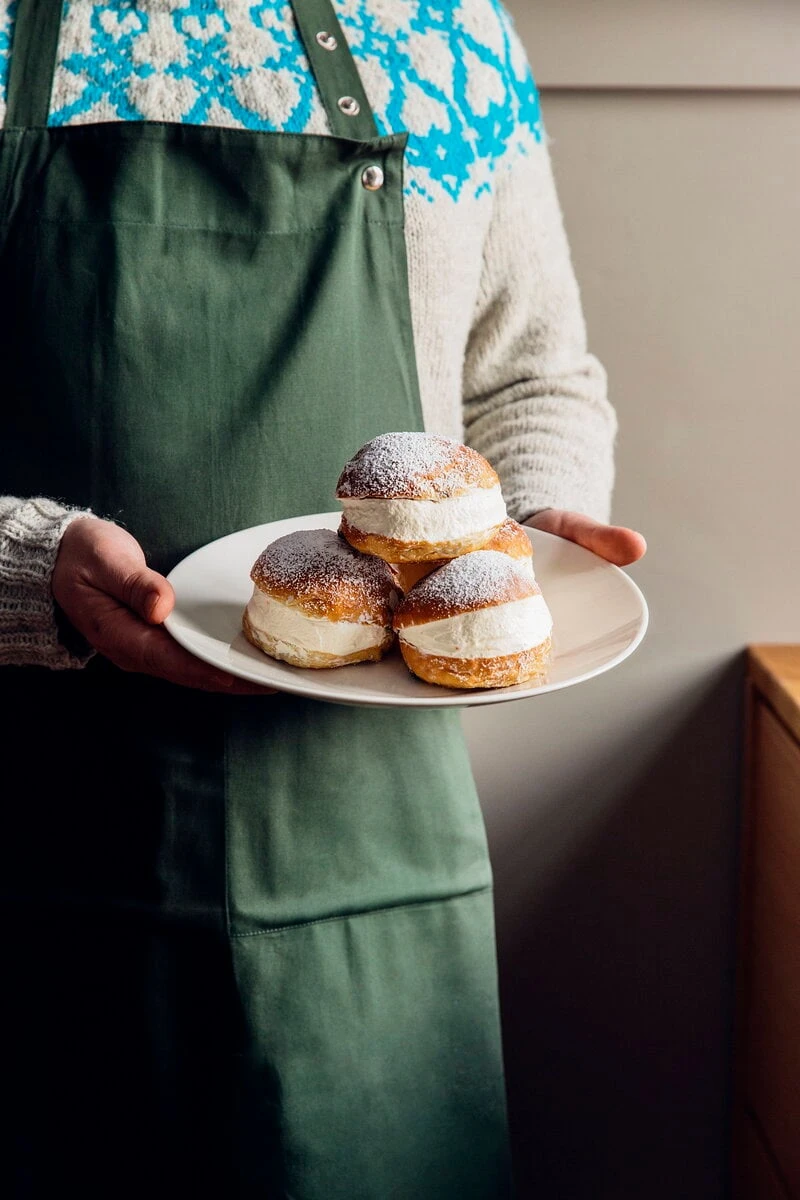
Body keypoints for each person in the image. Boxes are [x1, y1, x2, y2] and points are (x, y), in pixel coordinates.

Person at [0, 1, 645, 1196]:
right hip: (32, 848)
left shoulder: (447, 37)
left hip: (373, 858)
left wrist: (525, 541)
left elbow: (530, 378)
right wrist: (27, 567)